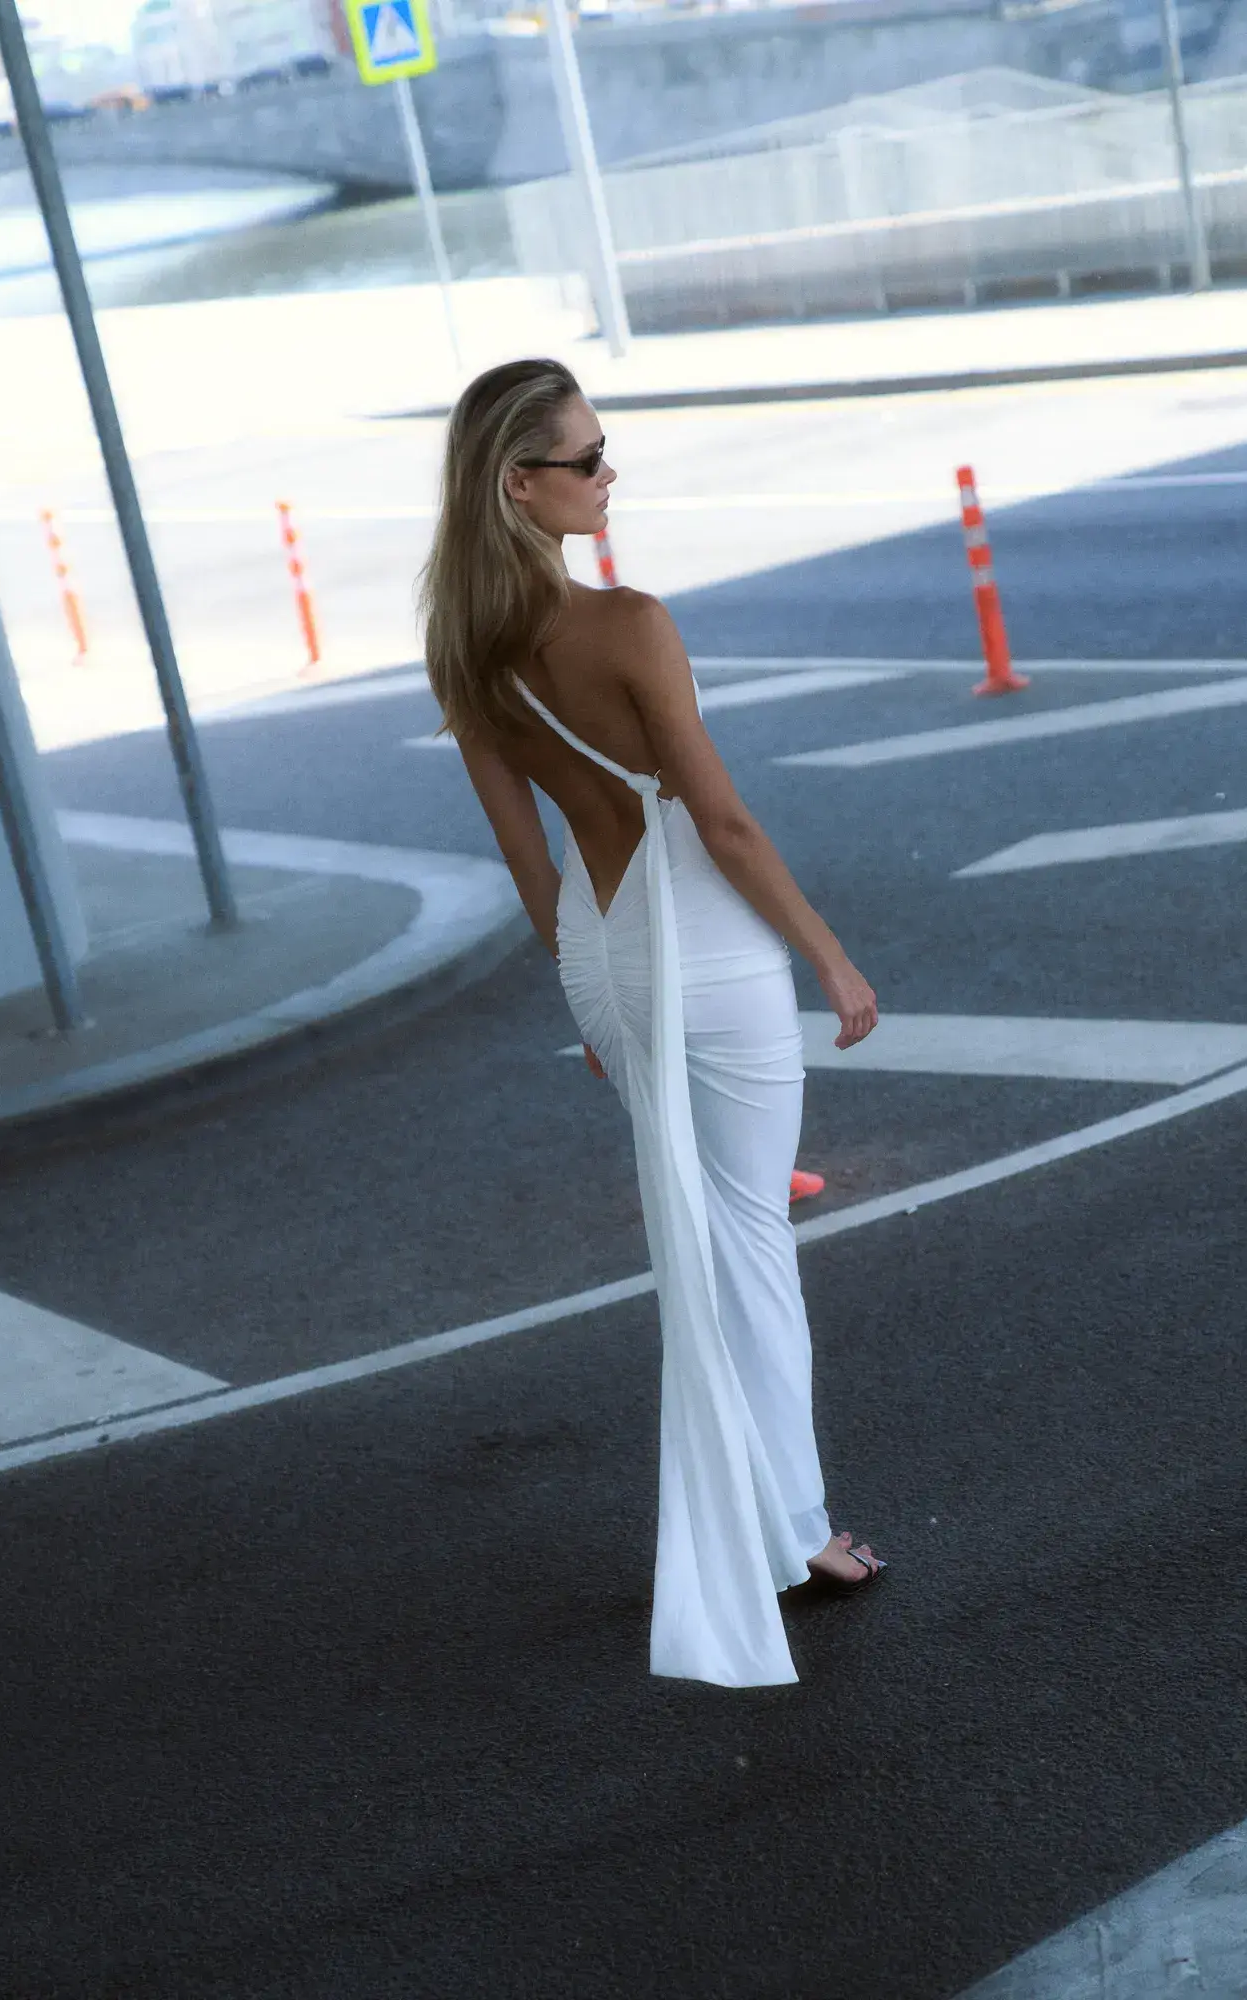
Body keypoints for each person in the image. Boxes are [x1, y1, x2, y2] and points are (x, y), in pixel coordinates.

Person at [419, 358, 887, 1688]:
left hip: (605, 953)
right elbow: (720, 823)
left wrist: (594, 995)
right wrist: (831, 958)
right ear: (520, 485)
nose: (607, 472)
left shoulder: (463, 651)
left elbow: (529, 856)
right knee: (749, 1245)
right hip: (708, 953)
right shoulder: (629, 623)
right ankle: (797, 1533)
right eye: (585, 458)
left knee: (702, 1247)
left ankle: (759, 1518)